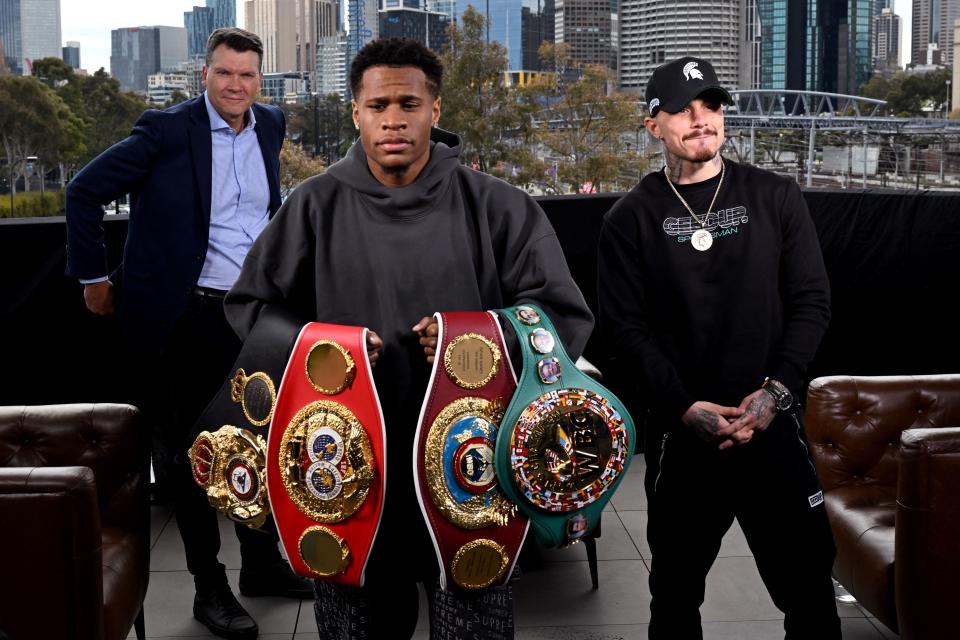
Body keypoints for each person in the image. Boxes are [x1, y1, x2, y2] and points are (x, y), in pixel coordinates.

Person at [224, 38, 594, 640]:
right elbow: (250, 307)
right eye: (377, 106)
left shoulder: (499, 205)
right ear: (355, 113)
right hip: (344, 470)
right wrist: (330, 349)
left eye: (408, 103)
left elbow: (562, 315)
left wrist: (476, 342)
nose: (393, 119)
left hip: (473, 473)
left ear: (436, 110)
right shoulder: (313, 204)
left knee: (473, 628)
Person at [66, 27, 310, 640]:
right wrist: (95, 278)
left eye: (248, 75)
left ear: (261, 79)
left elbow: (263, 212)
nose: (236, 86)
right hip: (187, 317)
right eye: (225, 73)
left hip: (255, 313)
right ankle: (210, 588)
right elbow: (83, 191)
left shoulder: (270, 125)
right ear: (206, 74)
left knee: (263, 442)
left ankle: (260, 567)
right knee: (202, 459)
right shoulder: (166, 130)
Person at [597, 56, 841, 640]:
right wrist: (685, 407)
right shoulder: (628, 220)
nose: (700, 119)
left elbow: (812, 303)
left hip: (773, 429)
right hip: (683, 442)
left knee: (810, 594)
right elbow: (624, 332)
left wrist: (774, 394)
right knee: (675, 600)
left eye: (710, 105)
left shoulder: (776, 196)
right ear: (654, 124)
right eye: (683, 109)